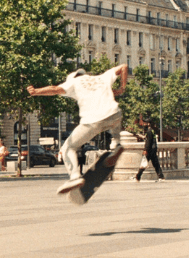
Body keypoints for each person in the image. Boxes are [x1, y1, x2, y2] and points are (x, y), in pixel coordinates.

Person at [27, 64, 128, 195]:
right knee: (114, 122)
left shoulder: (73, 82)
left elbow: (55, 89)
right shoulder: (102, 77)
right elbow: (124, 67)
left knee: (68, 147)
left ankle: (74, 177)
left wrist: (36, 92)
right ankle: (116, 144)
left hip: (93, 120)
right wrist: (122, 88)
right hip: (115, 114)